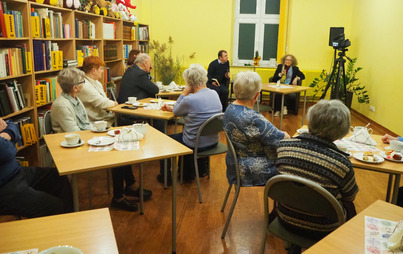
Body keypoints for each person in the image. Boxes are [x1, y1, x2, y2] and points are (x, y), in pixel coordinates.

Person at [51, 67, 151, 212]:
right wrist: (98, 135)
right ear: (75, 87)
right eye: (82, 82)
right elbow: (74, 132)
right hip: (74, 148)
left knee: (121, 148)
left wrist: (101, 131)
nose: (83, 84)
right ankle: (119, 197)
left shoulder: (75, 99)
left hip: (84, 139)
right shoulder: (62, 105)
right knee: (117, 156)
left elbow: (84, 124)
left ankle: (129, 186)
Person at [275, 99, 359, 241]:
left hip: (285, 219)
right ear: (342, 130)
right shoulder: (342, 163)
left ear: (311, 120)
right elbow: (350, 197)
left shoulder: (284, 146)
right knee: (349, 206)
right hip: (324, 230)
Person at [158, 64, 222, 184]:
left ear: (189, 82)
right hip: (213, 141)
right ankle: (187, 174)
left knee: (164, 141)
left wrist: (184, 92)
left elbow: (176, 111)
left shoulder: (190, 99)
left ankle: (165, 177)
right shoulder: (214, 93)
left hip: (195, 143)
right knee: (187, 133)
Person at [223, 71, 290, 186]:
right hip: (252, 169)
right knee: (296, 166)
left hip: (233, 164)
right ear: (257, 96)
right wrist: (286, 134)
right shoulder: (253, 118)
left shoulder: (229, 109)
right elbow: (283, 140)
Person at [0, 118, 73, 218]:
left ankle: (71, 219)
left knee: (58, 176)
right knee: (54, 206)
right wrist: (7, 137)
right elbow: (7, 151)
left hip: (18, 172)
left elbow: (12, 125)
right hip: (4, 186)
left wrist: (4, 136)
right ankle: (56, 227)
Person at [118, 53, 163, 130]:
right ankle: (159, 138)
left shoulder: (130, 70)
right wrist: (148, 73)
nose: (151, 65)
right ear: (145, 63)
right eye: (150, 63)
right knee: (159, 116)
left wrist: (147, 72)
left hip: (123, 106)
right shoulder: (140, 74)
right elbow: (155, 90)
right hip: (132, 110)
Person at [78, 56, 117, 127]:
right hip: (97, 123)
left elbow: (105, 100)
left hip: (106, 118)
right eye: (101, 69)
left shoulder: (97, 82)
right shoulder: (84, 85)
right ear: (93, 71)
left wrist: (111, 107)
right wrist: (114, 103)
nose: (103, 71)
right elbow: (102, 103)